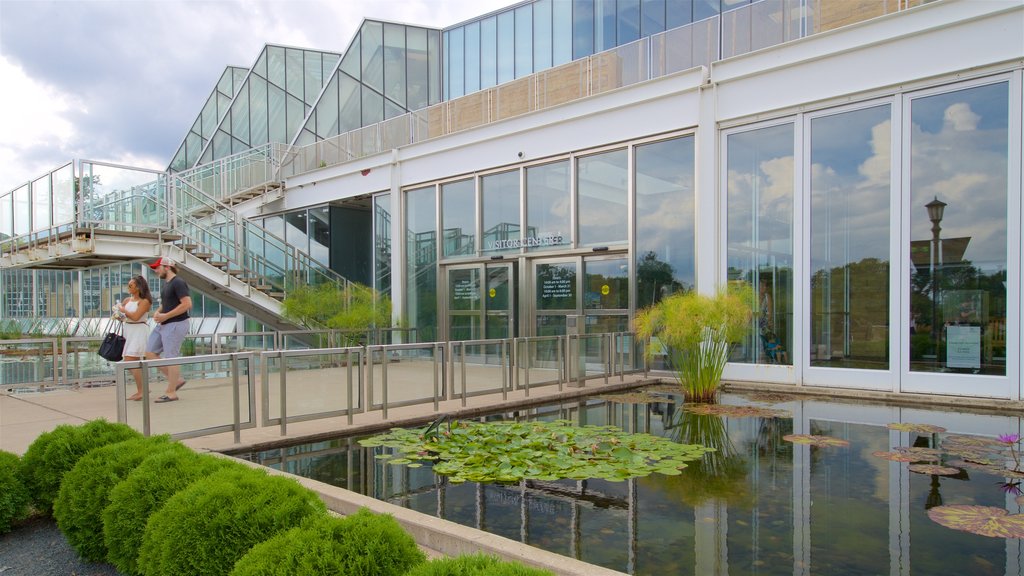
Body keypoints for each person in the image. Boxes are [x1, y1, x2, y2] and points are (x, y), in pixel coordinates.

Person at [145, 257, 192, 403]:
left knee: (172, 357)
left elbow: (187, 304)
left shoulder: (178, 282)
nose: (155, 271)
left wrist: (166, 316)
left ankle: (171, 392)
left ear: (167, 267)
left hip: (176, 324)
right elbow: (167, 303)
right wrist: (159, 312)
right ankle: (176, 380)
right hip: (164, 324)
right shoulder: (166, 284)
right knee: (150, 353)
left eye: (157, 268)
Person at [117, 275, 153, 401]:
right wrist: (119, 314)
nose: (128, 287)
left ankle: (142, 390)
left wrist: (122, 310)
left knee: (130, 360)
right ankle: (142, 389)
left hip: (138, 330)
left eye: (131, 285)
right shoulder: (127, 300)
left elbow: (136, 316)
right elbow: (125, 316)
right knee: (132, 361)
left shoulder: (144, 301)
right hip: (129, 329)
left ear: (138, 287)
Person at [758, 277, 788, 364]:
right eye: (761, 286)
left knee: (765, 342)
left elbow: (770, 313)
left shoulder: (767, 297)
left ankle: (767, 361)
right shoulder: (754, 296)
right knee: (758, 344)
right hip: (755, 323)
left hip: (764, 325)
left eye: (765, 286)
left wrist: (768, 321)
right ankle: (759, 361)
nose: (763, 288)